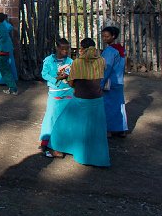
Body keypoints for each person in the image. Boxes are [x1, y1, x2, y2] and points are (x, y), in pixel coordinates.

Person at [48, 38, 110, 167]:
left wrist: (64, 77)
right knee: (94, 129)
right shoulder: (101, 61)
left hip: (81, 99)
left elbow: (71, 83)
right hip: (97, 100)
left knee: (62, 124)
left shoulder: (77, 63)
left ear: (82, 49)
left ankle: (58, 150)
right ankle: (95, 157)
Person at [38, 38, 74, 154]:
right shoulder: (48, 60)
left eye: (67, 49)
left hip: (68, 91)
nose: (65, 51)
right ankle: (45, 141)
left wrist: (67, 77)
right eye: (62, 49)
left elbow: (73, 74)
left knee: (66, 117)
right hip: (55, 91)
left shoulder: (70, 61)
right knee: (51, 116)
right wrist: (55, 80)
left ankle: (65, 143)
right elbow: (44, 74)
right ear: (57, 48)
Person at [101, 26, 128, 137]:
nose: (104, 38)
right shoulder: (121, 49)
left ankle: (109, 130)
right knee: (119, 105)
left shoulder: (109, 51)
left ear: (113, 36)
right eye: (103, 36)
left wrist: (101, 83)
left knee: (108, 106)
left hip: (110, 82)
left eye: (107, 36)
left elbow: (106, 68)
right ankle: (121, 129)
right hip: (119, 81)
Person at [0, 14, 19, 86]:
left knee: (3, 63)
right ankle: (11, 79)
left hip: (3, 47)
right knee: (9, 63)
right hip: (5, 47)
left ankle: (2, 80)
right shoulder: (2, 25)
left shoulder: (3, 25)